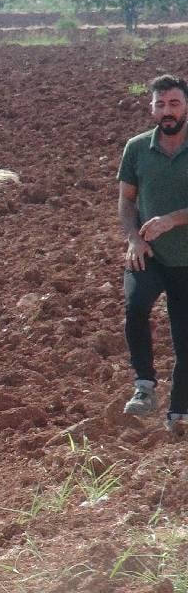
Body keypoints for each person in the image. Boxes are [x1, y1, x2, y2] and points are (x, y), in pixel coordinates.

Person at [120, 74, 188, 433]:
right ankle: (144, 385)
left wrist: (173, 219)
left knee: (186, 340)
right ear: (151, 108)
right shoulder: (137, 148)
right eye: (160, 104)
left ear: (186, 106)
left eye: (174, 103)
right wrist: (134, 238)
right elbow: (126, 201)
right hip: (149, 254)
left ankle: (179, 412)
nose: (166, 111)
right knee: (135, 305)